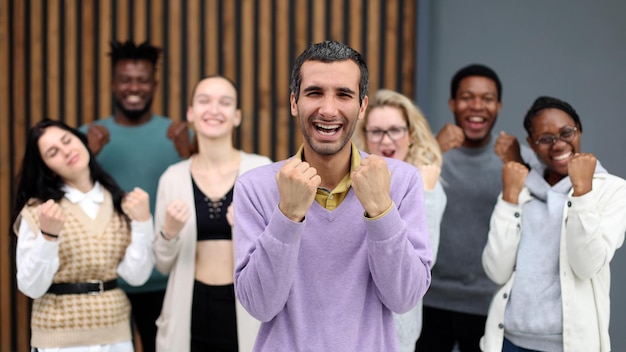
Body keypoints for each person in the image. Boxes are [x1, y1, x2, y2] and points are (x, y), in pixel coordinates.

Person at [233, 40, 432, 351]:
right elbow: (260, 306)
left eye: (344, 94)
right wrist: (287, 216)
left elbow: (404, 298)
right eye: (314, 93)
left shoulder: (401, 181)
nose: (328, 109)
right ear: (294, 103)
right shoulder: (255, 187)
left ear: (363, 106)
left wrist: (381, 210)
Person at [480, 96, 626, 352]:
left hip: (569, 346)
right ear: (531, 144)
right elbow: (496, 271)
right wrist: (509, 199)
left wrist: (583, 193)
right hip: (509, 342)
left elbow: (586, 265)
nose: (558, 145)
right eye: (545, 138)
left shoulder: (612, 190)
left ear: (578, 129)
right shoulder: (521, 191)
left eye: (566, 132)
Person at [79, 40, 190, 352]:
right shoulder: (87, 137)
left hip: (164, 280)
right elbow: (62, 196)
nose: (134, 88)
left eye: (142, 80)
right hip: (107, 281)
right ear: (113, 84)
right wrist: (88, 156)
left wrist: (188, 154)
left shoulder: (179, 136)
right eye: (126, 79)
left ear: (153, 84)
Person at [417, 64, 536, 352]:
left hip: (489, 302)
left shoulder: (515, 156)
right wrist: (431, 148)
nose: (477, 106)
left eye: (487, 98)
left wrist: (517, 161)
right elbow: (396, 197)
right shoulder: (426, 150)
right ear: (453, 103)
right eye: (467, 97)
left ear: (498, 105)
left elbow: (541, 212)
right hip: (428, 299)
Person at [12, 119, 154, 351]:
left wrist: (143, 223)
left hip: (116, 334)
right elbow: (30, 287)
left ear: (82, 140)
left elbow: (136, 276)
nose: (66, 151)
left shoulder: (120, 202)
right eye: (53, 152)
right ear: (46, 166)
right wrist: (48, 236)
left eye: (67, 140)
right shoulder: (39, 211)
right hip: (61, 338)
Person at [153, 75, 272, 352]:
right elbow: (161, 263)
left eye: (225, 102)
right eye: (204, 101)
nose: (214, 109)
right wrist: (169, 231)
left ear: (237, 116)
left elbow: (280, 254)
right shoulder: (172, 178)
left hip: (245, 307)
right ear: (191, 114)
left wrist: (247, 230)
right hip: (190, 306)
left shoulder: (260, 171)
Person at [354, 88, 446, 351]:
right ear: (365, 135)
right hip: (355, 324)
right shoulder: (352, 181)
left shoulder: (427, 184)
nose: (386, 140)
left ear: (410, 133)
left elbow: (423, 261)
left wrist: (427, 194)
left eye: (395, 129)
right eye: (376, 131)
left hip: (398, 329)